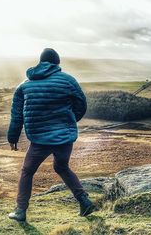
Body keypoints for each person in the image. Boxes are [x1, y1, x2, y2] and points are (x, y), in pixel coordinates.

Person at [7, 48, 94, 222]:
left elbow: (17, 115)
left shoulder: (24, 85)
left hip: (39, 140)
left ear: (40, 62)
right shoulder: (68, 80)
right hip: (64, 138)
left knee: (27, 171)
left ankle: (20, 211)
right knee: (62, 167)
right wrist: (68, 122)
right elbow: (81, 105)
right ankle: (84, 201)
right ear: (57, 63)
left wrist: (13, 138)